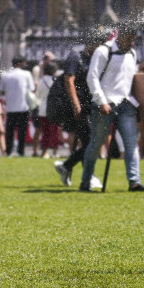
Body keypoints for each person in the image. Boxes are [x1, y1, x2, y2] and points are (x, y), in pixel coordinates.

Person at [80, 24, 144, 193]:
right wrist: (101, 101)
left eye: (134, 39)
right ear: (120, 36)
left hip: (125, 104)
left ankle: (134, 182)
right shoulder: (103, 51)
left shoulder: (132, 53)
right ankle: (85, 181)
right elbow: (92, 77)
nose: (132, 42)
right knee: (96, 143)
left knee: (131, 144)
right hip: (103, 104)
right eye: (129, 38)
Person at [53, 27, 108, 189]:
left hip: (89, 105)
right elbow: (68, 81)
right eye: (98, 42)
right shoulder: (75, 56)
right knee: (91, 141)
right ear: (91, 42)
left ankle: (67, 166)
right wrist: (76, 106)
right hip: (76, 105)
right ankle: (86, 175)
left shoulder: (94, 59)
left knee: (90, 141)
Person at [0, 56, 35, 157]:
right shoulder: (27, 74)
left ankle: (8, 151)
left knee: (9, 132)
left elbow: (1, 90)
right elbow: (31, 89)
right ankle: (20, 152)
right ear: (21, 63)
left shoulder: (5, 75)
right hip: (23, 107)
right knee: (21, 132)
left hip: (10, 107)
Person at [35, 61, 62, 158]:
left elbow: (37, 95)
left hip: (43, 109)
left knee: (45, 132)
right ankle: (55, 152)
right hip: (55, 109)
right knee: (55, 132)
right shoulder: (57, 80)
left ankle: (44, 152)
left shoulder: (42, 81)